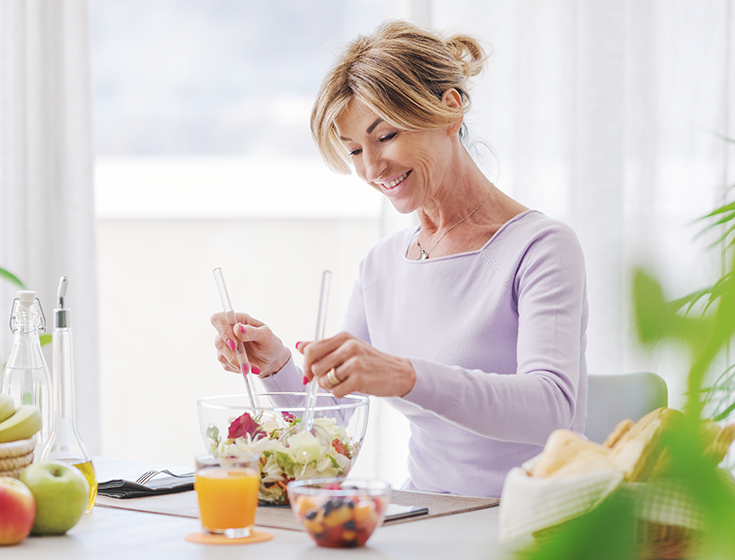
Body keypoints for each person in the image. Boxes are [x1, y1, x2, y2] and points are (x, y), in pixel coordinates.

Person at [210, 20, 588, 499]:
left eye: (385, 136)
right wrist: (276, 362)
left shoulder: (540, 247)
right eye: (354, 151)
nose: (371, 168)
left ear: (450, 111)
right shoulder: (382, 264)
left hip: (531, 520)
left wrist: (405, 376)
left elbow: (550, 409)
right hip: (423, 514)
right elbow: (332, 413)